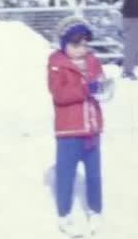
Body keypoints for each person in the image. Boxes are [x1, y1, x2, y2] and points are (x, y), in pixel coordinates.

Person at [47, 16, 105, 237]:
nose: (81, 49)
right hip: (69, 131)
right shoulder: (56, 64)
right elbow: (59, 95)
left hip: (91, 129)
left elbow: (100, 84)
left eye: (84, 43)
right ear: (63, 44)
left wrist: (103, 88)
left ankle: (95, 211)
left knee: (94, 174)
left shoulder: (93, 61)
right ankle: (64, 214)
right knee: (66, 174)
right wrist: (84, 89)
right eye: (75, 44)